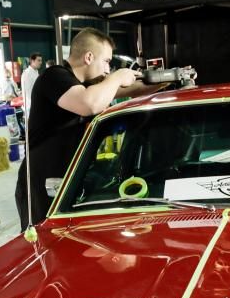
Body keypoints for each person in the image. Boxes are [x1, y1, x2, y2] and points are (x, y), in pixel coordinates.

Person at [15, 27, 157, 231]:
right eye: (106, 62)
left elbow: (128, 89)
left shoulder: (83, 84)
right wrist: (117, 77)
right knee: (46, 241)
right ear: (89, 57)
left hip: (68, 180)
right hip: (42, 181)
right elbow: (89, 104)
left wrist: (167, 78)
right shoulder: (54, 76)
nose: (108, 69)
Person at [21, 52, 43, 118]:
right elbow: (28, 93)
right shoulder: (27, 73)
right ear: (32, 61)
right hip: (31, 106)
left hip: (37, 105)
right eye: (38, 60)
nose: (40, 62)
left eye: (41, 60)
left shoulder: (36, 72)